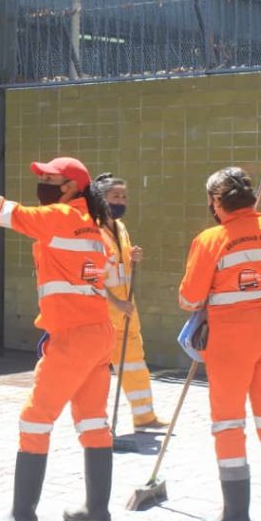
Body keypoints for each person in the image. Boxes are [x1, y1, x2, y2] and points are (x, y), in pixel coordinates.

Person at [0, 156, 117, 521]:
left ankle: (22, 515)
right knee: (93, 421)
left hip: (71, 337)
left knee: (35, 419)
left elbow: (6, 212)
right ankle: (98, 511)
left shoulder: (59, 217)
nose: (43, 184)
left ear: (71, 186)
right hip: (99, 334)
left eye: (50, 178)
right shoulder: (98, 227)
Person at [178, 166, 261, 521]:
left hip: (232, 337)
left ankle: (236, 515)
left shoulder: (211, 239)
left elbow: (189, 298)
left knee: (228, 422)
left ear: (216, 202)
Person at [92, 174, 165, 430]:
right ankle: (95, 422)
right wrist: (115, 302)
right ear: (101, 198)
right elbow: (92, 277)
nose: (121, 201)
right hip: (103, 313)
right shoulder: (92, 232)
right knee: (96, 370)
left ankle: (145, 417)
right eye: (116, 196)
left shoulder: (120, 228)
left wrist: (133, 257)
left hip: (126, 311)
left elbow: (120, 266)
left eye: (124, 196)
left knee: (135, 365)